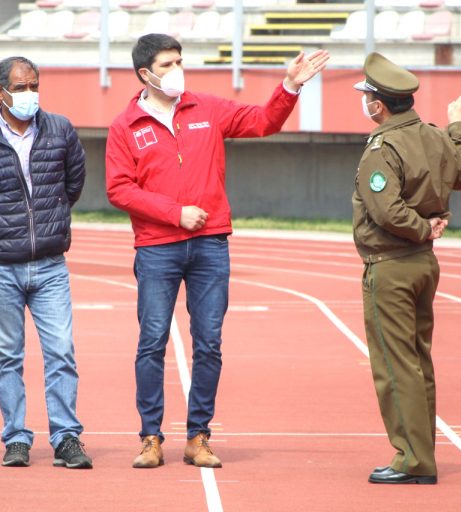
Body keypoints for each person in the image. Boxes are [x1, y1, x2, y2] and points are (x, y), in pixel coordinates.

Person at [105, 34, 329, 469]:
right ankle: (151, 437)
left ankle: (198, 435)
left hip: (210, 245)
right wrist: (174, 213)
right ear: (144, 74)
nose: (176, 70)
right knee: (151, 343)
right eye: (167, 64)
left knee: (209, 344)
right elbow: (118, 189)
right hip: (157, 249)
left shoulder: (206, 108)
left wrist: (290, 87)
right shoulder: (124, 126)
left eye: (179, 61)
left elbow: (264, 122)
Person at [0, 56, 91, 469]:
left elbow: (73, 184)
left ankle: (66, 437)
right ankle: (16, 437)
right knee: (7, 357)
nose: (30, 94)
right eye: (21, 87)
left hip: (49, 264)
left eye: (34, 85)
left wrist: (47, 224)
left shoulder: (61, 129)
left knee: (61, 351)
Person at [351, 52, 461, 484]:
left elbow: (386, 211)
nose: (367, 102)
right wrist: (459, 127)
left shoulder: (381, 148)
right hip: (424, 266)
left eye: (369, 96)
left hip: (391, 265)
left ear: (379, 104)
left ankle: (411, 459)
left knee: (394, 366)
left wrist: (422, 228)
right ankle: (420, 455)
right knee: (418, 361)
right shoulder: (434, 136)